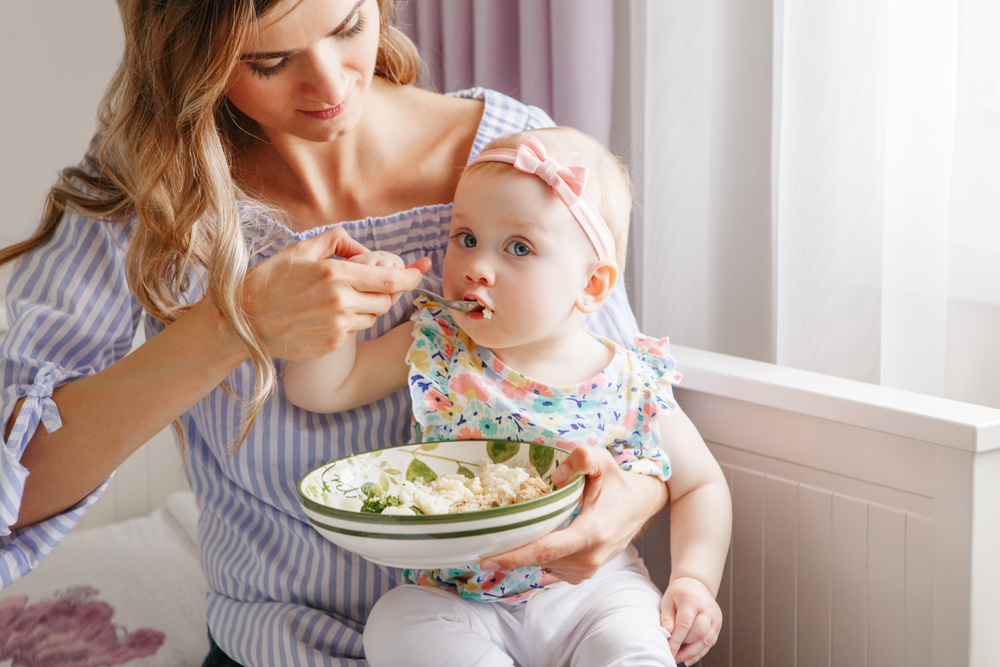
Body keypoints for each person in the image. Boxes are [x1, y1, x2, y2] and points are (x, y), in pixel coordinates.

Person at [0, 1, 680, 665]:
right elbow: (16, 490)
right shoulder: (147, 190)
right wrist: (233, 326)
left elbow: (638, 420)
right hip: (278, 647)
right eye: (269, 60)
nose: (330, 84)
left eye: (349, 25)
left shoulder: (517, 162)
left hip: (533, 634)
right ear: (191, 61)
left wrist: (625, 507)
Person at [283, 127, 733, 667]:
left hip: (592, 593)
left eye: (518, 248)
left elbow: (701, 483)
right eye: (466, 238)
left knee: (630, 642)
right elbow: (320, 390)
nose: (476, 266)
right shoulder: (441, 346)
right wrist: (348, 312)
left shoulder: (630, 379)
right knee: (395, 622)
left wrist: (693, 578)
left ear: (591, 286)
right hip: (457, 598)